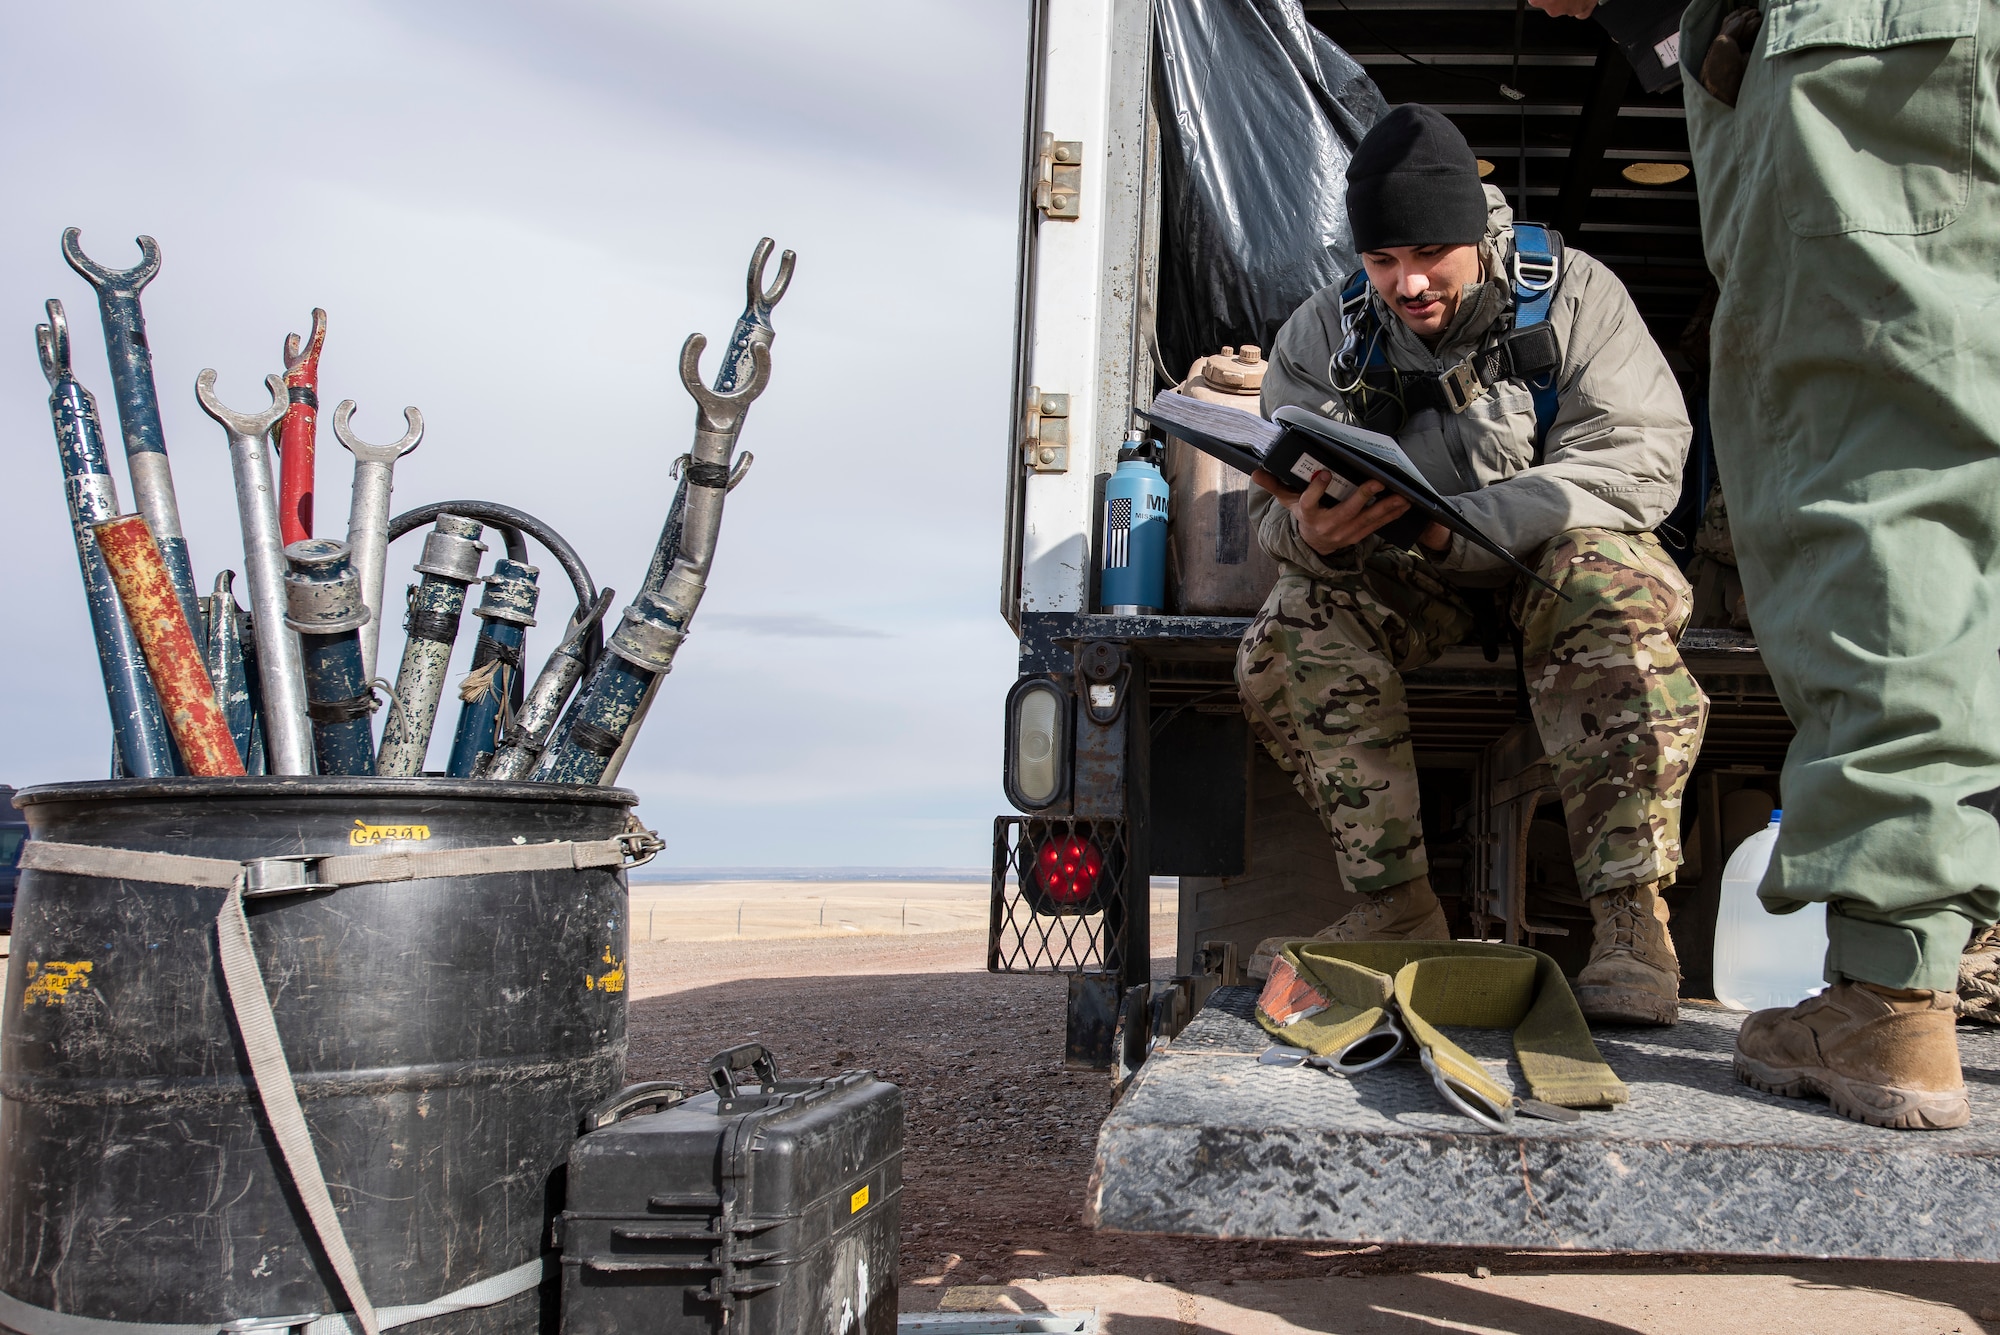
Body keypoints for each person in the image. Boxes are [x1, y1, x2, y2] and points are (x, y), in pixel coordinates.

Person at [1241, 104, 1709, 1026]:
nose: (1408, 282)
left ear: (1476, 233)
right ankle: (1396, 903)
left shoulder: (1576, 294)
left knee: (1609, 591)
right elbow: (1271, 507)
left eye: (1431, 254)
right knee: (1282, 633)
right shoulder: (1323, 333)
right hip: (1414, 579)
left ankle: (1630, 919)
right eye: (1383, 262)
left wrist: (1475, 522)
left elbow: (1640, 457)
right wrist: (1312, 534)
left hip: (1555, 562)